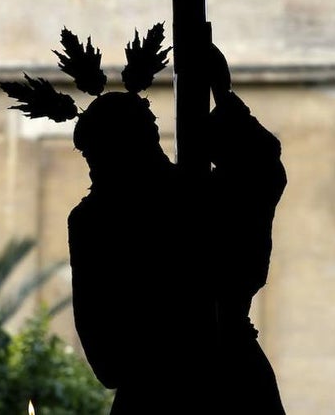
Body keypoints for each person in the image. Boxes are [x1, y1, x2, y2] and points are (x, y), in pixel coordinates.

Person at [66, 42, 287, 413]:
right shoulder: (195, 194)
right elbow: (260, 170)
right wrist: (222, 94)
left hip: (159, 390)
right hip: (229, 380)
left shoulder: (95, 219)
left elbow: (105, 355)